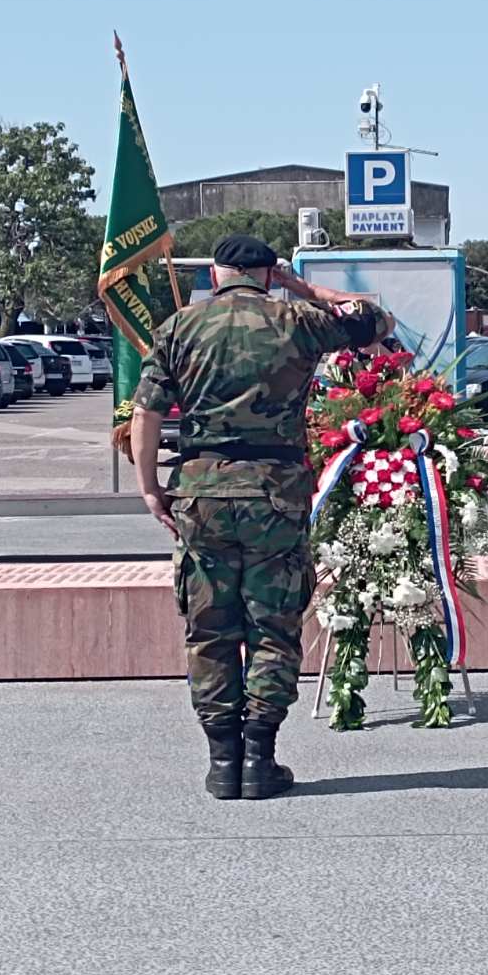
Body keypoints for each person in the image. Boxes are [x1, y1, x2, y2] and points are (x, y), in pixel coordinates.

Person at [129, 235, 391, 801]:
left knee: (210, 629)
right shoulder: (297, 318)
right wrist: (303, 287)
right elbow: (376, 320)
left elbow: (145, 412)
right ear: (268, 274)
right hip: (276, 493)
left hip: (201, 493)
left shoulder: (179, 327)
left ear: (219, 274)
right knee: (273, 626)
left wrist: (150, 486)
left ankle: (222, 761)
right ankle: (259, 757)